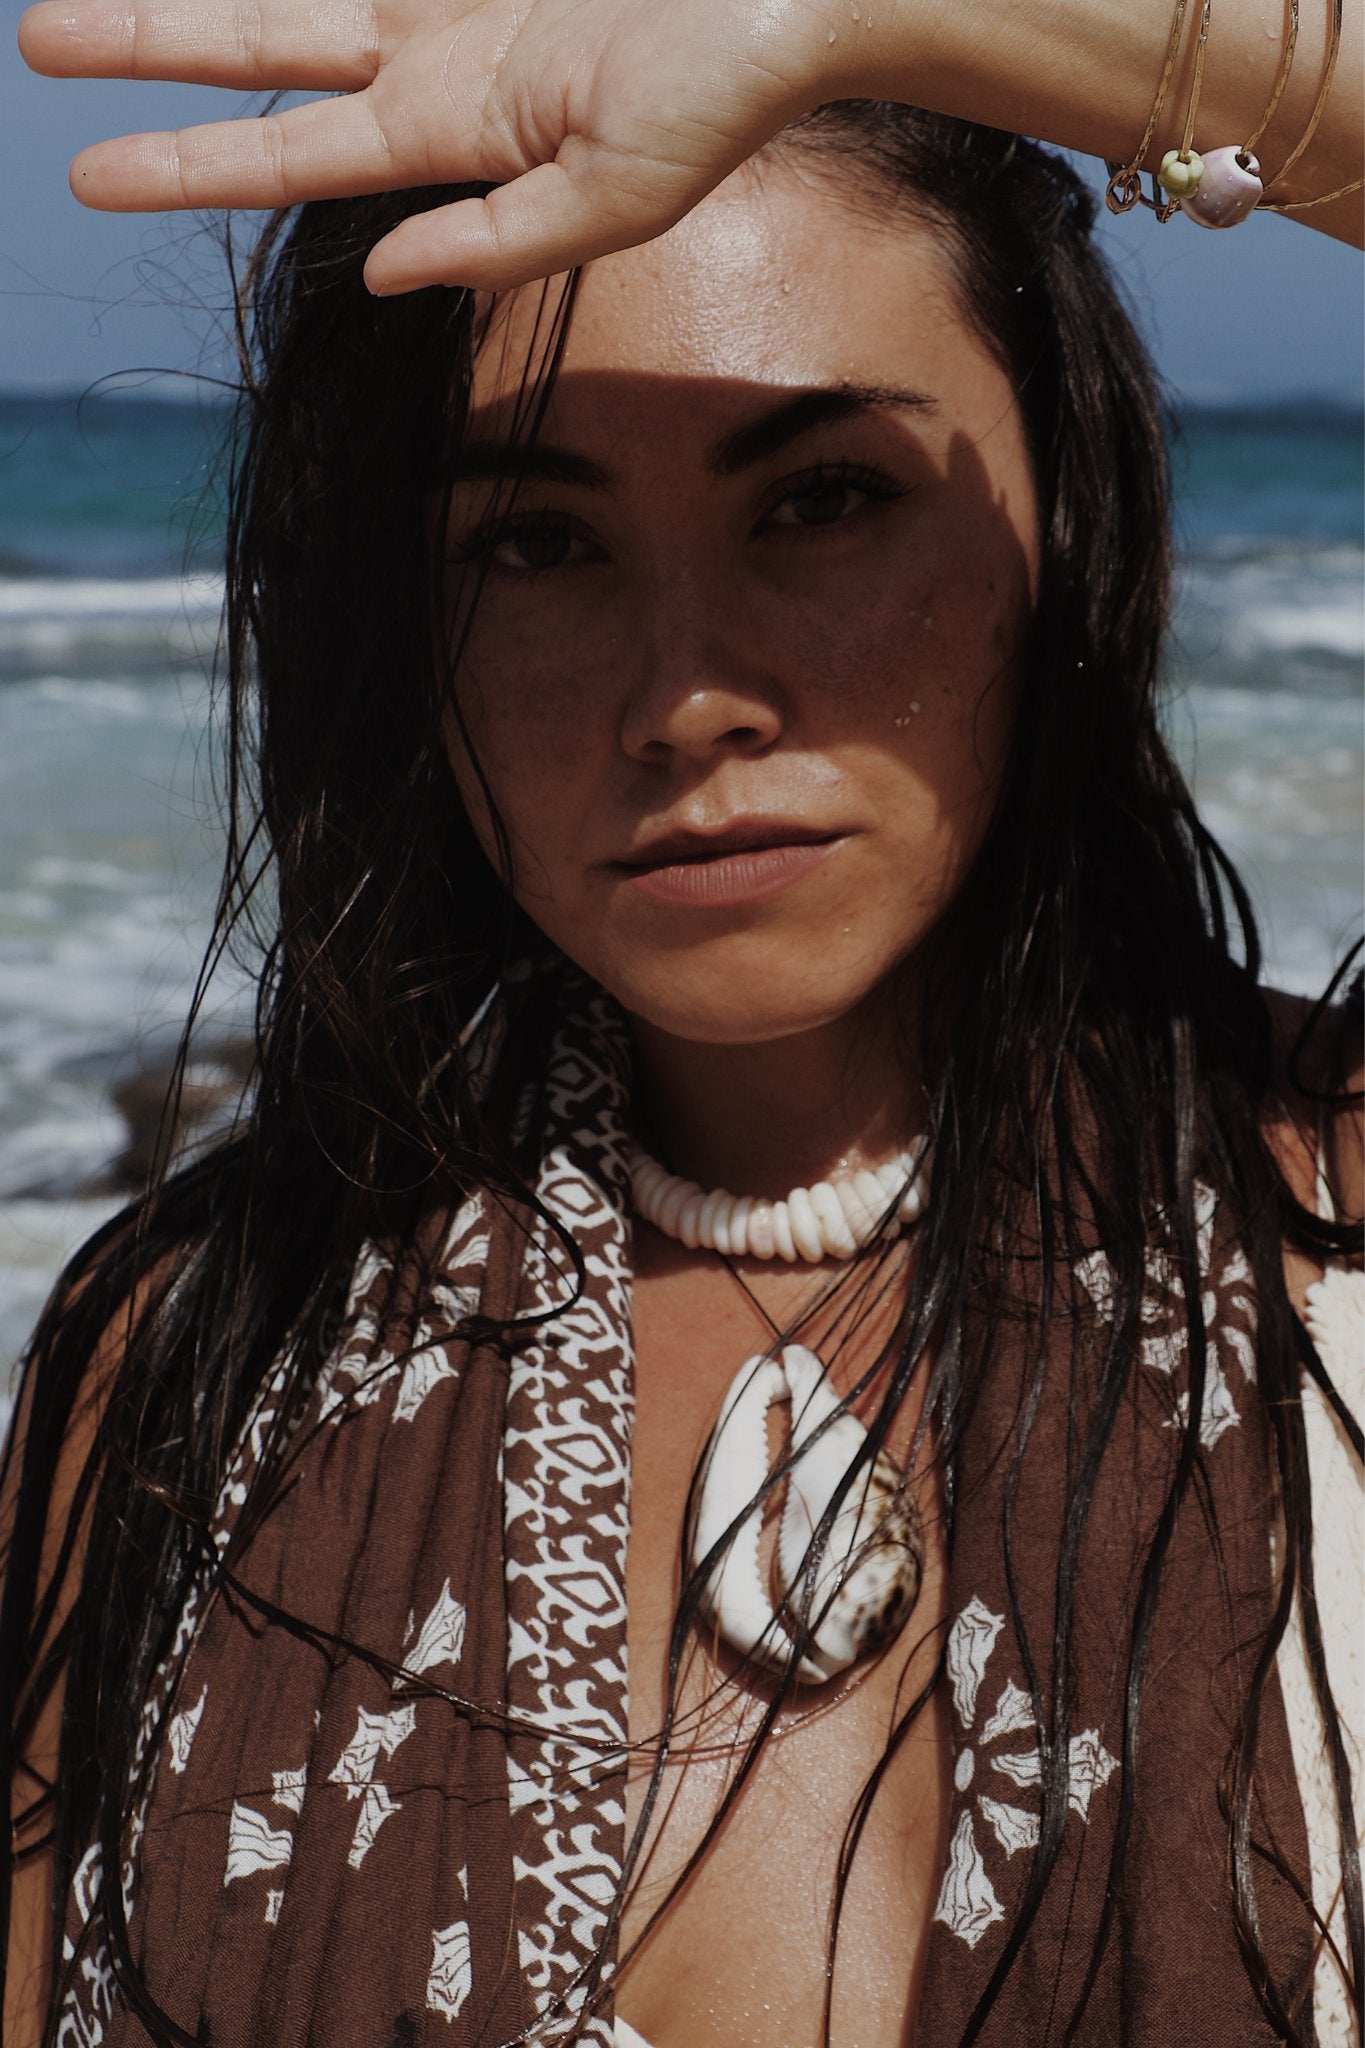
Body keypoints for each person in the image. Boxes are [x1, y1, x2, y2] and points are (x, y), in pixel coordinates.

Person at [3, 2, 1362, 2044]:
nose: (684, 689)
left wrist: (892, 13)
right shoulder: (196, 1367)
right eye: (533, 542)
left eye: (816, 500)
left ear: (1061, 512)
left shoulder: (1330, 1232)